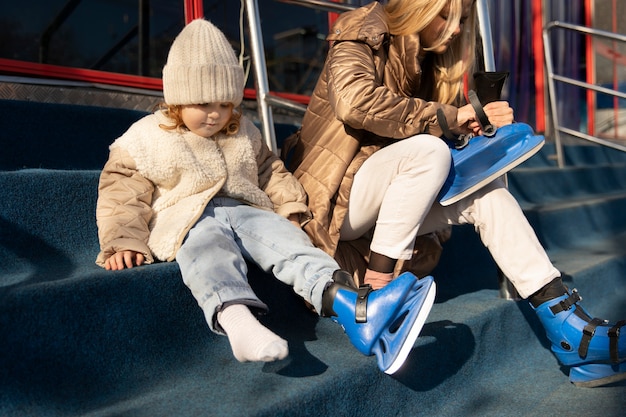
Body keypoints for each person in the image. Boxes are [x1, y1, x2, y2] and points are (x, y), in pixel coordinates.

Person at [285, 0, 626, 387]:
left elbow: (422, 133)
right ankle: (374, 304)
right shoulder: (361, 31)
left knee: (488, 195)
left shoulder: (432, 62)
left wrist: (473, 122)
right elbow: (354, 101)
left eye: (461, 19)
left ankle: (568, 329)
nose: (454, 29)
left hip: (387, 200)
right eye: (445, 15)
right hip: (332, 203)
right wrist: (448, 118)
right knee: (428, 152)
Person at [95, 18, 436, 375]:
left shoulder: (243, 130)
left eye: (225, 104)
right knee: (206, 249)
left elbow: (269, 170)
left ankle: (353, 308)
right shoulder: (145, 138)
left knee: (290, 243)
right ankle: (238, 321)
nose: (215, 114)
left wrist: (290, 208)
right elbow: (122, 191)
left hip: (246, 211)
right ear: (177, 100)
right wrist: (123, 240)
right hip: (187, 219)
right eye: (202, 103)